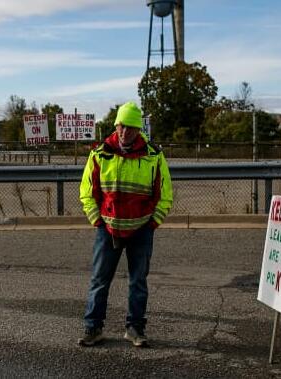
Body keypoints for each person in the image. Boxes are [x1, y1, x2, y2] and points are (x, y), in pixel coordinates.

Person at [77, 102, 173, 347]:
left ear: (138, 129)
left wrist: (154, 222)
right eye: (121, 126)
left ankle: (135, 329)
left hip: (141, 229)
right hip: (107, 229)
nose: (124, 132)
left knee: (138, 281)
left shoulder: (153, 155)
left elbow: (164, 193)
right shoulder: (100, 153)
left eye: (130, 127)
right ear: (116, 125)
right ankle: (93, 328)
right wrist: (96, 219)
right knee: (99, 280)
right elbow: (87, 190)